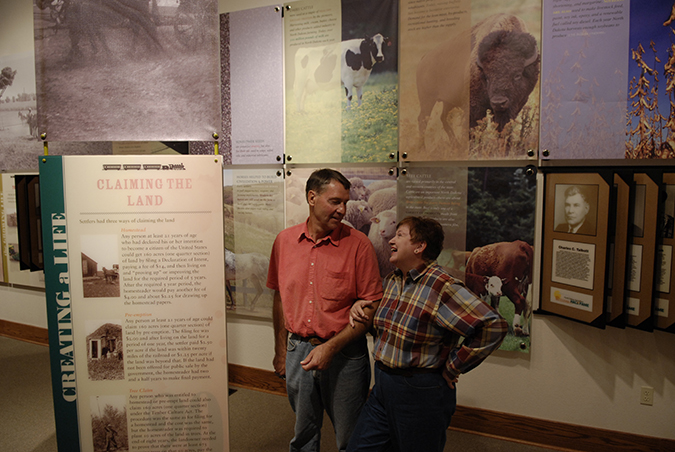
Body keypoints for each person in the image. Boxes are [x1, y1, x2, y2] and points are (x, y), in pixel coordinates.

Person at [346, 217, 508, 452]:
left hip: (419, 392)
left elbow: (493, 326)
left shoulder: (442, 286)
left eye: (400, 235)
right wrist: (360, 306)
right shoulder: (393, 280)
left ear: (419, 246)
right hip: (382, 385)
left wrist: (454, 366)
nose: (391, 239)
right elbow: (388, 328)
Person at [267, 168, 383, 452]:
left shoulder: (359, 245)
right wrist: (281, 350)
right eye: (335, 201)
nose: (342, 209)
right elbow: (280, 297)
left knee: (350, 436)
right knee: (303, 432)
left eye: (345, 202)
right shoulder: (284, 241)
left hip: (345, 355)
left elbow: (370, 308)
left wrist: (330, 348)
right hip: (298, 352)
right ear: (311, 197)